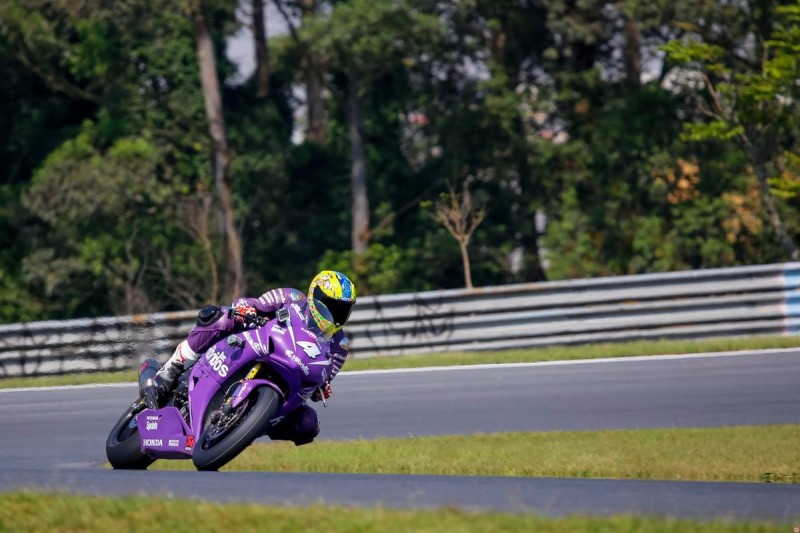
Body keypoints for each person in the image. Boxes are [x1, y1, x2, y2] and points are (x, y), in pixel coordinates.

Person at [142, 270, 357, 446]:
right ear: (314, 296)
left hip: (289, 384)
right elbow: (256, 304)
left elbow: (323, 380)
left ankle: (246, 426)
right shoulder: (291, 298)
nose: (334, 315)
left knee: (309, 424)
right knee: (219, 317)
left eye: (342, 310)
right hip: (259, 342)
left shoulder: (340, 346)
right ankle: (170, 370)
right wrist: (246, 308)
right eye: (330, 306)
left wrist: (322, 390)